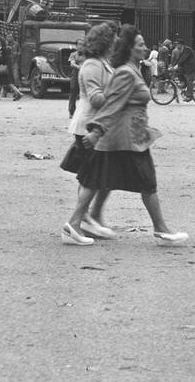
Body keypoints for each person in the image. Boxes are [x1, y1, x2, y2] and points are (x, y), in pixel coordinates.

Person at [64, 25, 187, 247]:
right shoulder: (125, 72)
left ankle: (78, 223)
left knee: (96, 181)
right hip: (125, 138)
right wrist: (97, 131)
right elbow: (112, 104)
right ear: (130, 48)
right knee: (143, 182)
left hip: (128, 136)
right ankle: (160, 229)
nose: (145, 48)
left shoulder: (129, 69)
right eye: (140, 44)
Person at [59, 25, 115, 238]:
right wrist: (120, 94)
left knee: (95, 176)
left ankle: (85, 218)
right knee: (90, 177)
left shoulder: (101, 63)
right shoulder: (92, 65)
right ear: (105, 43)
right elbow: (96, 98)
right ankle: (80, 220)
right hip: (88, 127)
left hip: (96, 126)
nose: (116, 44)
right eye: (113, 40)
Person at [174, 37, 195, 101]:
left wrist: (177, 65)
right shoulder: (181, 50)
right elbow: (178, 59)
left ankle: (189, 96)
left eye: (177, 44)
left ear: (181, 44)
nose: (176, 46)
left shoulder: (187, 49)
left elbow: (183, 58)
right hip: (187, 68)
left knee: (189, 80)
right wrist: (173, 65)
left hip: (194, 68)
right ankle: (184, 83)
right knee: (178, 71)